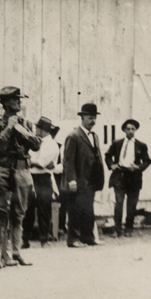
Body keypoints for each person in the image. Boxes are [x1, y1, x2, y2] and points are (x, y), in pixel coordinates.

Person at [0, 87, 43, 265]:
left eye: (19, 99)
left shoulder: (26, 123)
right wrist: (9, 128)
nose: (19, 102)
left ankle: (16, 252)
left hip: (22, 170)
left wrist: (21, 130)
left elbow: (36, 145)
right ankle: (2, 255)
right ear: (4, 102)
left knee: (19, 214)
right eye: (14, 99)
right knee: (2, 213)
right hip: (3, 169)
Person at [61, 103, 106, 248]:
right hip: (78, 180)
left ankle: (88, 238)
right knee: (75, 210)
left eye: (94, 118)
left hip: (91, 180)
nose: (92, 121)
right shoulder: (74, 136)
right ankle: (73, 239)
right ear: (82, 118)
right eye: (89, 118)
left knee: (88, 210)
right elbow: (68, 160)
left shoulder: (94, 136)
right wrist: (72, 180)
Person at [105, 119, 151, 237]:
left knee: (131, 204)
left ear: (135, 130)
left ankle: (129, 228)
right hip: (120, 176)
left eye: (133, 129)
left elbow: (146, 161)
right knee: (119, 203)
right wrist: (112, 165)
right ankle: (117, 229)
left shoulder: (141, 145)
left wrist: (138, 167)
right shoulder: (117, 143)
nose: (130, 131)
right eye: (128, 129)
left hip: (134, 177)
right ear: (124, 130)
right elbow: (108, 156)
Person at [26, 117, 61, 246]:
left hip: (43, 178)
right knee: (28, 209)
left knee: (44, 210)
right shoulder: (34, 141)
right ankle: (25, 239)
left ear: (42, 130)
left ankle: (44, 239)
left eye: (38, 128)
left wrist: (31, 162)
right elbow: (27, 158)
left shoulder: (52, 144)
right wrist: (30, 162)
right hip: (31, 177)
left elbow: (41, 163)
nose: (36, 130)